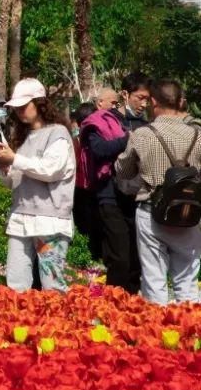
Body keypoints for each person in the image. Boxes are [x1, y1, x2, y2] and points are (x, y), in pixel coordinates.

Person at [115, 79, 201, 304]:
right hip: (190, 213)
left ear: (154, 101)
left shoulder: (143, 134)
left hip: (151, 210)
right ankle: (191, 333)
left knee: (154, 280)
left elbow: (123, 171)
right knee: (187, 281)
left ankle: (157, 331)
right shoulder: (198, 134)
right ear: (180, 101)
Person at [0, 79, 76, 293]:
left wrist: (14, 159)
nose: (19, 110)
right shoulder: (23, 136)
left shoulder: (58, 133)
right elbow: (13, 181)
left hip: (51, 220)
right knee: (16, 283)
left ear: (40, 103)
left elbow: (50, 170)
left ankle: (57, 325)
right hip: (20, 217)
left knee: (52, 285)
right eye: (16, 107)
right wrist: (4, 167)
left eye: (24, 105)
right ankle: (18, 324)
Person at [81, 73, 150, 294]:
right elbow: (99, 150)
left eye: (148, 99)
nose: (144, 104)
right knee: (119, 255)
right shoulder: (102, 121)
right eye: (140, 97)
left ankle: (133, 308)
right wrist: (127, 139)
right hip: (109, 196)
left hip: (136, 197)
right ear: (125, 94)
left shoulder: (146, 125)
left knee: (135, 257)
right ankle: (114, 305)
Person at [71, 100, 102, 260]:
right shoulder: (76, 141)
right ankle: (88, 257)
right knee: (85, 226)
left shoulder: (95, 138)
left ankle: (93, 256)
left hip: (91, 188)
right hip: (81, 189)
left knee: (92, 226)